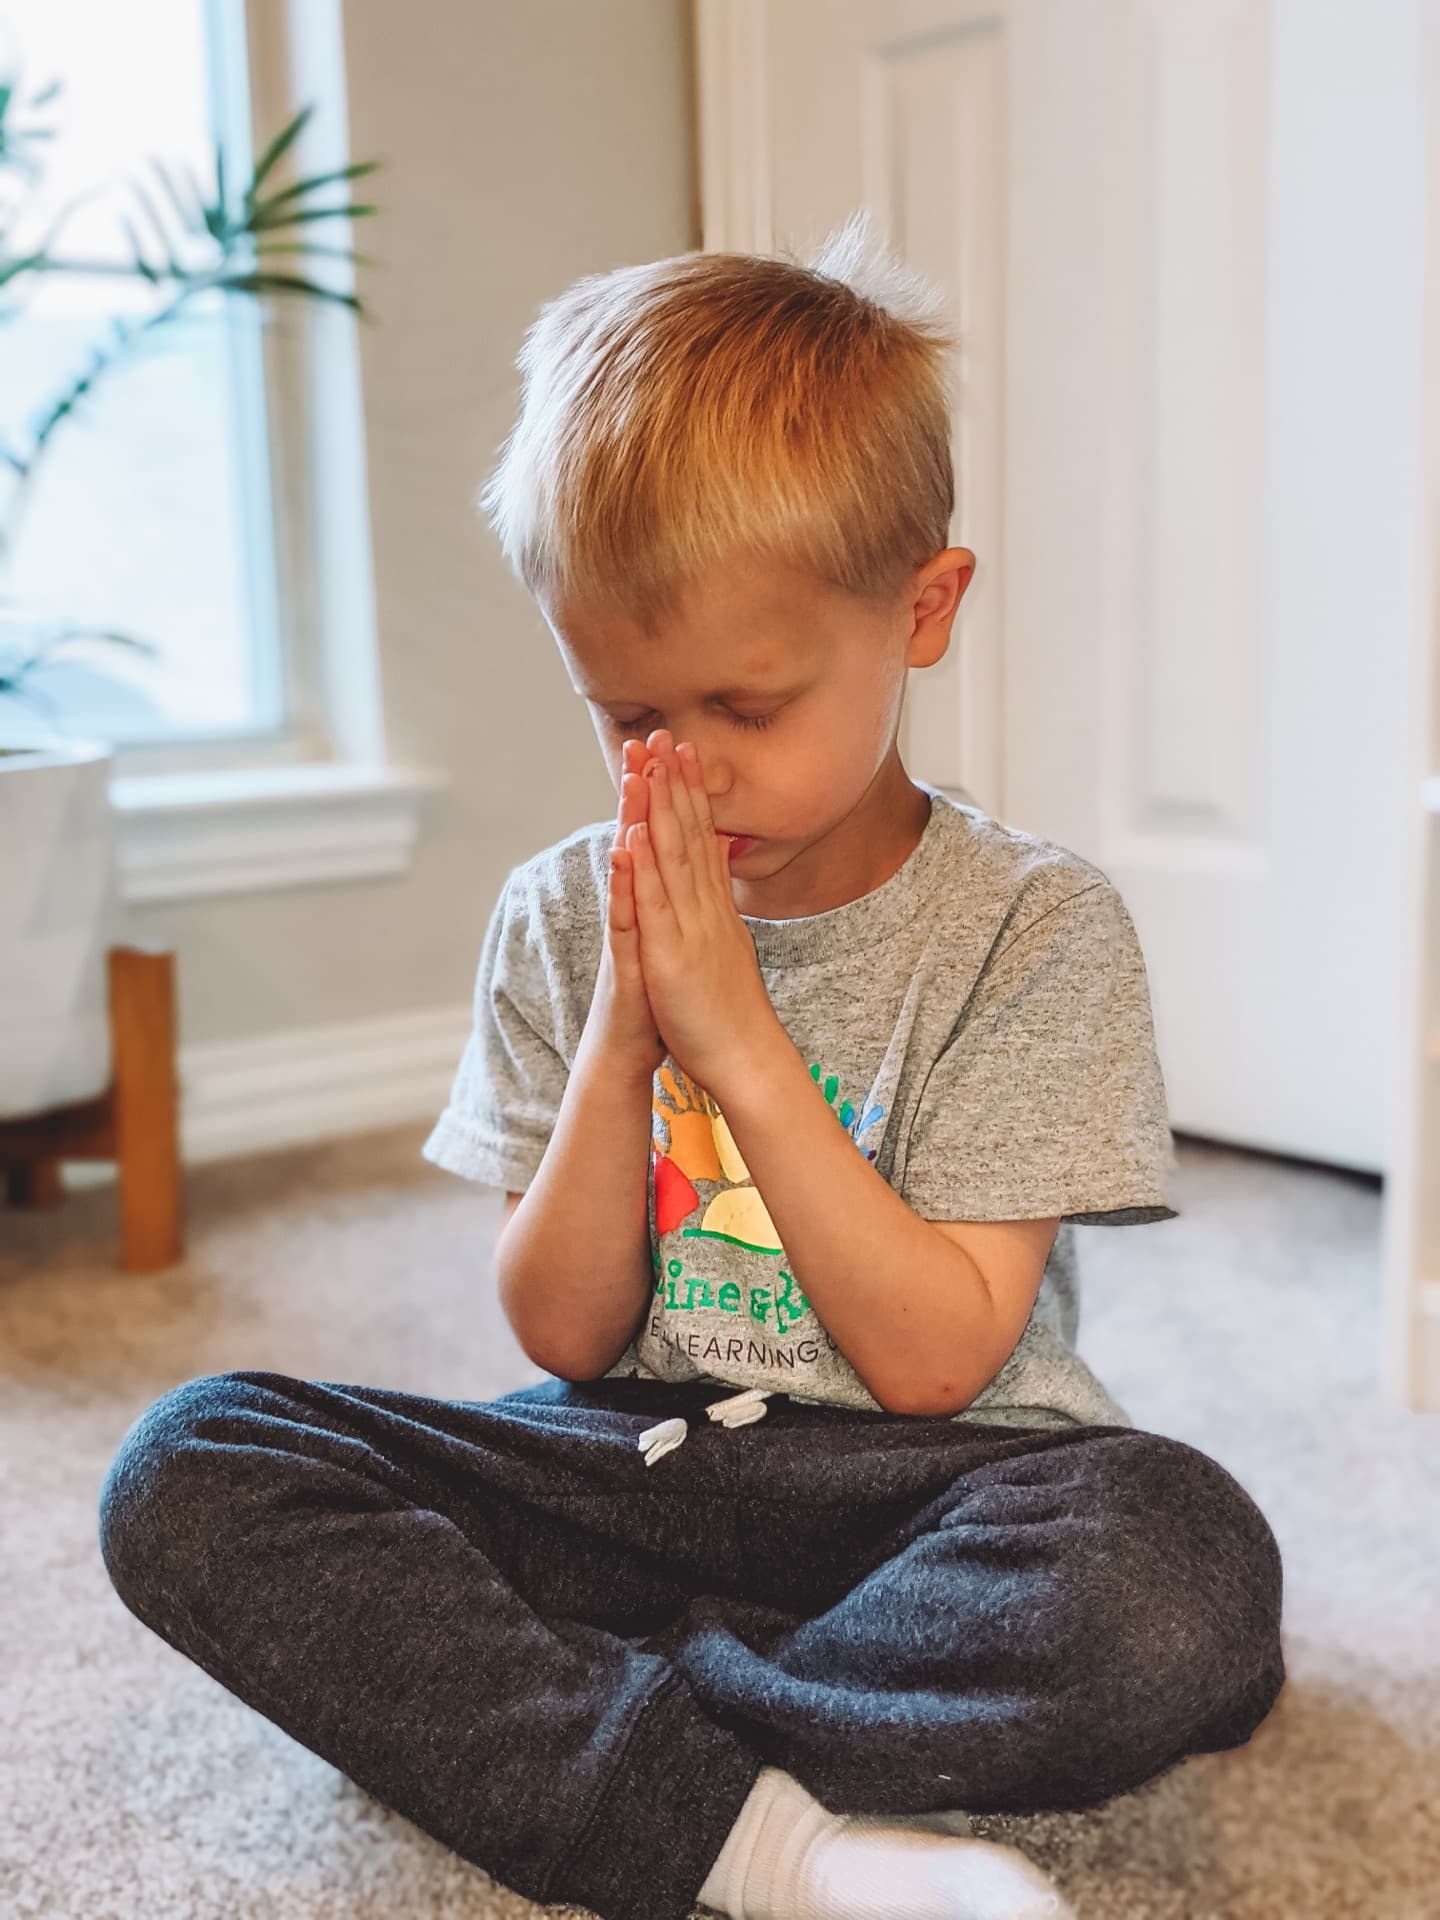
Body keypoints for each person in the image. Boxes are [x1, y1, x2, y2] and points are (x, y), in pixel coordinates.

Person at [97, 210, 1286, 1920]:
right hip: (627, 1465)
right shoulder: (557, 919)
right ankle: (772, 1846)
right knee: (191, 1466)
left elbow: (943, 1357)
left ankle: (582, 1733)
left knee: (1176, 1571)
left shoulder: (1038, 929)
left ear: (922, 610)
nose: (685, 773)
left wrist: (737, 1046)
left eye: (747, 706)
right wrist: (624, 1037)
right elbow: (565, 1334)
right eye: (628, 715)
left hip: (932, 1488)